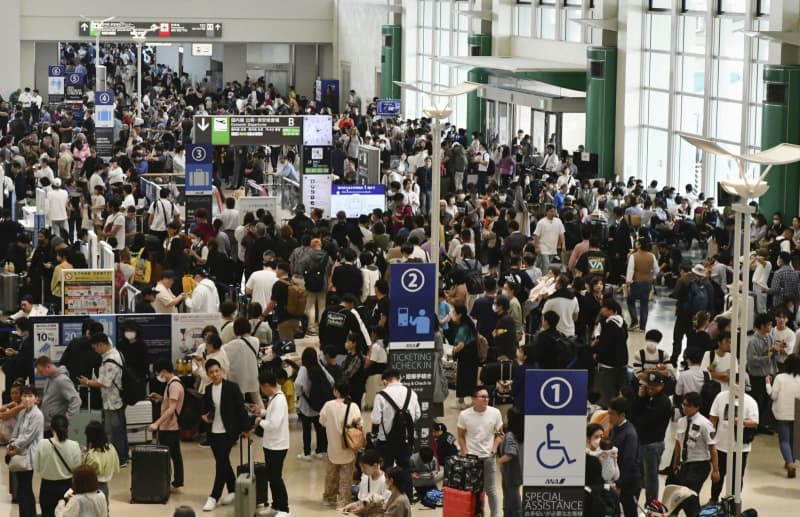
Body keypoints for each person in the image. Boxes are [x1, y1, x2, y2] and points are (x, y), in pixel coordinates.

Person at [200, 359, 251, 511]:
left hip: (228, 432)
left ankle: (213, 496)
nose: (215, 374)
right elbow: (204, 409)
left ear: (221, 370)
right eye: (211, 372)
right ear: (208, 374)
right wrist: (204, 416)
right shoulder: (208, 390)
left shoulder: (232, 387)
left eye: (217, 371)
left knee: (220, 464)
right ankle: (233, 490)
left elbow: (240, 409)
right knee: (223, 462)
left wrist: (246, 428)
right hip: (213, 431)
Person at [79, 333, 128, 467]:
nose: (95, 350)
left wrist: (87, 382)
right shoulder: (115, 354)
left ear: (101, 345)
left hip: (113, 401)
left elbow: (105, 383)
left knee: (114, 431)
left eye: (95, 347)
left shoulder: (111, 359)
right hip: (114, 399)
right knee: (119, 430)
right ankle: (123, 456)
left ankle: (120, 459)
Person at [371, 368, 421, 501]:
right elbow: (417, 415)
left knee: (386, 470)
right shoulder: (412, 393)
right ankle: (408, 500)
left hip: (385, 440)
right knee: (405, 469)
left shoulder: (381, 395)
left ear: (384, 380)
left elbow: (375, 419)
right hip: (405, 440)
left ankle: (386, 500)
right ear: (400, 377)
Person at [457, 386, 504, 517]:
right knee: (473, 490)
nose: (486, 399)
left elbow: (500, 434)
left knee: (491, 489)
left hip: (488, 457)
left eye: (487, 396)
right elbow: (460, 435)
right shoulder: (464, 415)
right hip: (471, 458)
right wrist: (465, 451)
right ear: (473, 399)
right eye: (483, 396)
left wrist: (494, 449)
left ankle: (494, 515)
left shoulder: (495, 412)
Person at [671, 392, 720, 516]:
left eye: (688, 405)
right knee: (684, 496)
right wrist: (675, 464)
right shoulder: (682, 422)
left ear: (697, 407)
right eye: (684, 404)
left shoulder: (704, 424)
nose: (685, 408)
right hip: (685, 465)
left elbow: (712, 448)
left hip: (699, 465)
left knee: (688, 495)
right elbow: (678, 444)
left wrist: (716, 470)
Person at [709, 387, 759, 503]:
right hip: (721, 444)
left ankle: (733, 501)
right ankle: (714, 498)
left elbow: (755, 422)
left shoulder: (750, 402)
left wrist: (740, 421)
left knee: (737, 476)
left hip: (740, 448)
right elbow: (713, 417)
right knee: (718, 473)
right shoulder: (721, 397)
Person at [629, 372, 672, 505]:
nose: (651, 390)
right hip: (641, 442)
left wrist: (636, 420)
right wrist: (640, 397)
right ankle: (634, 500)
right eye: (649, 387)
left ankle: (651, 504)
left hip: (653, 444)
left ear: (661, 386)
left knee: (651, 478)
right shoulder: (647, 397)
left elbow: (645, 421)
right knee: (638, 474)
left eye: (654, 387)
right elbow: (632, 412)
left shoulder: (663, 402)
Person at [319, 379, 363, 508]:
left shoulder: (328, 405)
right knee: (346, 477)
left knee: (331, 475)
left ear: (336, 391)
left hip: (332, 447)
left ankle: (329, 498)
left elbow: (322, 421)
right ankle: (343, 501)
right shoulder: (353, 406)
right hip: (348, 447)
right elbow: (360, 424)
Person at [255, 369, 291, 517]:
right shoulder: (275, 398)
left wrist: (259, 421)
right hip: (271, 444)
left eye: (262, 387)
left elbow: (274, 424)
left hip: (277, 445)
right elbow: (272, 416)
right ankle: (276, 505)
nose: (262, 391)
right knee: (272, 477)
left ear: (267, 385)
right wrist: (262, 413)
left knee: (276, 477)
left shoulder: (279, 400)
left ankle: (283, 509)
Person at [147, 358, 185, 491]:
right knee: (175, 455)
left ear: (163, 371)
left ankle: (164, 483)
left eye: (158, 373)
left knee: (164, 457)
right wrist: (160, 398)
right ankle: (177, 482)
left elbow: (172, 408)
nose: (158, 376)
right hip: (171, 426)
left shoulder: (173, 385)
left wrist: (157, 423)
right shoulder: (173, 383)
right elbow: (170, 403)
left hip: (169, 427)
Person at [34, 414, 82, 517]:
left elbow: (37, 467)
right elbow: (77, 469)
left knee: (47, 514)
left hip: (47, 487)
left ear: (51, 428)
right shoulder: (74, 445)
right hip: (67, 487)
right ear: (67, 427)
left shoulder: (42, 444)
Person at [8, 386, 44, 517]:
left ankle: (26, 514)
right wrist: (12, 443)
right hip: (19, 453)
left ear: (36, 399)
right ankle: (29, 513)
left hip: (29, 455)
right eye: (24, 396)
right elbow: (16, 431)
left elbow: (28, 437)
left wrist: (14, 446)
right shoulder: (23, 413)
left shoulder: (37, 415)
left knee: (24, 487)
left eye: (30, 396)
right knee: (24, 488)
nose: (27, 399)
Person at [295, 347, 333, 460]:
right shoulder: (319, 367)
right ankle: (320, 450)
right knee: (319, 428)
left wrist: (300, 394)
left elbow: (297, 384)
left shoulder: (303, 369)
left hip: (306, 406)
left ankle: (307, 453)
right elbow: (331, 380)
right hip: (319, 405)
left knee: (306, 430)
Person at [768, 354, 800, 477]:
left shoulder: (780, 378)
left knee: (784, 440)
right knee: (793, 439)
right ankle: (791, 460)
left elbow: (773, 395)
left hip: (782, 413)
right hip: (797, 413)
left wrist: (767, 385)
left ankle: (790, 462)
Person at [222, 317, 264, 411]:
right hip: (253, 374)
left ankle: (242, 419)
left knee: (240, 399)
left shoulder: (234, 344)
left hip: (240, 377)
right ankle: (263, 415)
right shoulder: (256, 340)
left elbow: (222, 350)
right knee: (257, 398)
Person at [592, 299, 629, 408]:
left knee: (606, 392)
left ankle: (607, 412)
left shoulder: (609, 325)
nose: (601, 310)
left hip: (608, 363)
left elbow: (605, 345)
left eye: (603, 308)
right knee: (618, 390)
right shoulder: (622, 323)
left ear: (610, 310)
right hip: (622, 361)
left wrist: (597, 355)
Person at [608, 397, 641, 517]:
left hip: (629, 482)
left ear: (621, 415)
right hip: (617, 478)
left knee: (630, 512)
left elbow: (629, 461)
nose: (609, 417)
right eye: (609, 413)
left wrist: (620, 485)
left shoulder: (629, 434)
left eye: (612, 414)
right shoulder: (614, 429)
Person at [35, 356, 81, 431]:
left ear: (48, 367)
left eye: (41, 371)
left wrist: (64, 421)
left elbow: (76, 401)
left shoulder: (62, 380)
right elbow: (52, 399)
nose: (41, 374)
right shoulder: (49, 379)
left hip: (56, 428)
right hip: (47, 426)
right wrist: (40, 402)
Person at [625, 238, 659, 331]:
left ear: (639, 245)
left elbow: (630, 271)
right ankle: (642, 327)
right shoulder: (651, 256)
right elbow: (657, 270)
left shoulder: (633, 256)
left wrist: (628, 283)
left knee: (630, 301)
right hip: (647, 283)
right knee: (644, 304)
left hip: (636, 283)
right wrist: (652, 276)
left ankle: (635, 321)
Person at [82, 421, 120, 501]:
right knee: (104, 507)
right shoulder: (111, 448)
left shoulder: (92, 456)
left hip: (92, 486)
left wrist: (84, 456)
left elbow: (85, 472)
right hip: (105, 484)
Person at [498, 406, 524, 517]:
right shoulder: (519, 434)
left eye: (506, 416)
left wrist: (499, 460)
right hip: (517, 472)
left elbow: (510, 454)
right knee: (509, 498)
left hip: (510, 474)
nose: (505, 418)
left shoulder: (510, 435)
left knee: (514, 501)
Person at [451, 305, 478, 407]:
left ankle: (461, 402)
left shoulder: (463, 328)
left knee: (463, 378)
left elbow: (460, 345)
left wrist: (453, 351)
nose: (452, 315)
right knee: (470, 378)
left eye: (454, 313)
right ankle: (470, 401)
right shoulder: (468, 324)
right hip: (471, 355)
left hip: (465, 356)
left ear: (459, 315)